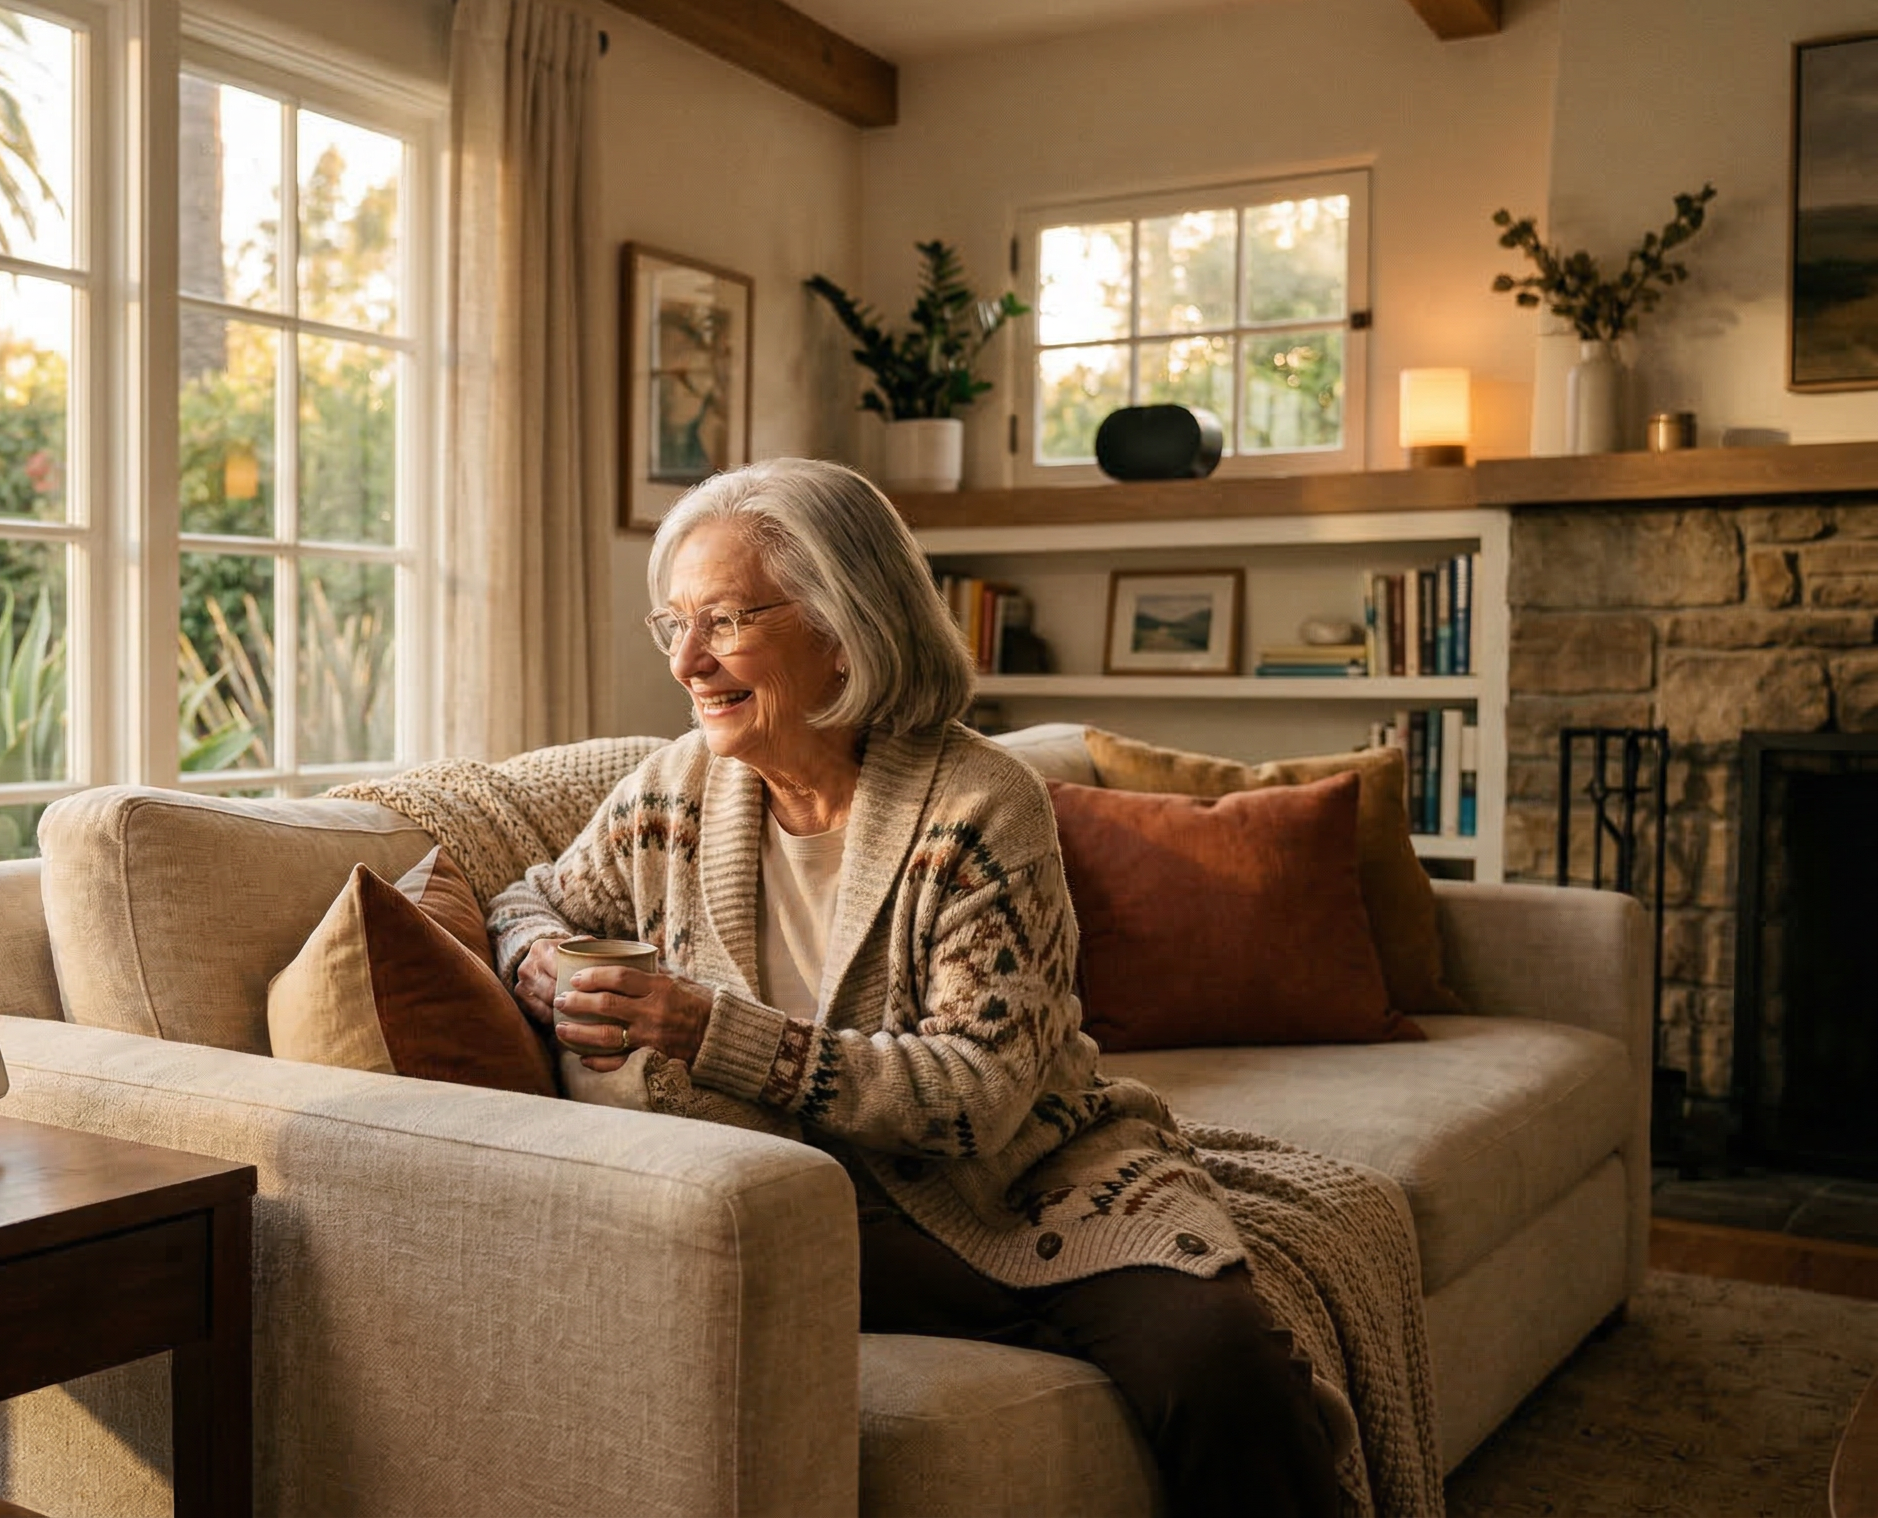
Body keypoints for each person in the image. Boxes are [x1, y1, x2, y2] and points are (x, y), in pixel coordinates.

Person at [486, 458, 1340, 1518]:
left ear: (844, 624)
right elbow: (529, 898)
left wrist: (712, 1031)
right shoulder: (672, 791)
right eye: (674, 625)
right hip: (824, 1200)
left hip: (1028, 1177)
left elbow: (976, 1093)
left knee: (1221, 1362)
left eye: (724, 621)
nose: (687, 662)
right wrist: (539, 966)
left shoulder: (981, 804)